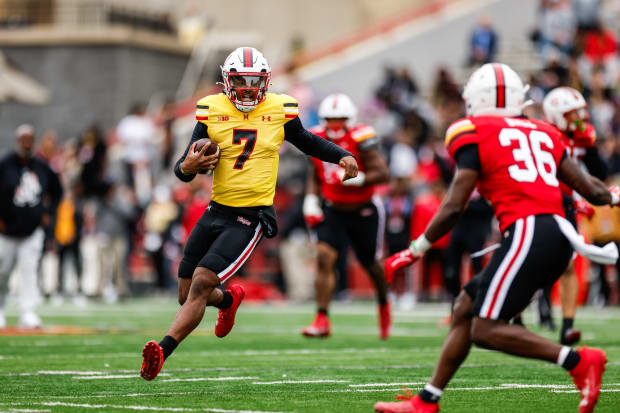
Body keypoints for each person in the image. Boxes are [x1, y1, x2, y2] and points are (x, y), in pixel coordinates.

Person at [375, 63, 618, 413]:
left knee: (485, 329)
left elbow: (454, 205)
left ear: (478, 99)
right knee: (464, 308)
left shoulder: (471, 131)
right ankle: (427, 400)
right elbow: (591, 189)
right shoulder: (545, 131)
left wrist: (415, 249)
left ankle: (577, 361)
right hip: (557, 232)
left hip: (529, 231)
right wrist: (613, 195)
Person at [140, 47, 358, 380]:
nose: (246, 89)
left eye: (253, 82)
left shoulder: (279, 109)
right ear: (227, 82)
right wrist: (187, 166)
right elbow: (183, 169)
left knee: (200, 283)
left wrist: (341, 155)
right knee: (186, 294)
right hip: (215, 210)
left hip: (251, 215)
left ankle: (162, 350)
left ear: (265, 82)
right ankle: (227, 301)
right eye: (240, 81)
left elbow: (307, 140)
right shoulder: (211, 110)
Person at [301, 93, 391, 339]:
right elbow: (315, 172)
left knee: (371, 265)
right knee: (324, 257)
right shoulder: (315, 136)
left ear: (349, 119)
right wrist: (311, 198)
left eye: (340, 119)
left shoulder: (361, 136)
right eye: (330, 119)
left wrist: (361, 178)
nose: (335, 124)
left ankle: (384, 304)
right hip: (333, 208)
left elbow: (383, 173)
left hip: (363, 209)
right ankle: (321, 318)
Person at [540, 86, 608, 343]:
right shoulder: (544, 135)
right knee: (535, 262)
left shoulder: (580, 138)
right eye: (572, 113)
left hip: (566, 206)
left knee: (568, 264)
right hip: (542, 203)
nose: (580, 118)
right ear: (556, 114)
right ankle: (521, 316)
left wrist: (590, 147)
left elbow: (599, 173)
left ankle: (567, 325)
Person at [0, 124, 63, 328]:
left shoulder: (42, 167)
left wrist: (48, 213)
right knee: (2, 271)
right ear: (18, 141)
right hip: (6, 231)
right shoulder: (5, 165)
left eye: (30, 139)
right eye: (23, 139)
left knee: (29, 271)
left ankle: (28, 311)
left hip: (32, 230)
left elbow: (57, 191)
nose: (26, 144)